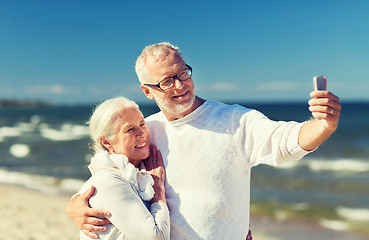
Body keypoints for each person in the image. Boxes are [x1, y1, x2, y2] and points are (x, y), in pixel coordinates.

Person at [67, 42, 341, 240]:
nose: (180, 85)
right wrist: (75, 204)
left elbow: (287, 142)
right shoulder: (144, 131)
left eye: (183, 73)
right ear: (147, 92)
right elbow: (108, 174)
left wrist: (324, 125)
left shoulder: (234, 120)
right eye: (166, 82)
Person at [76, 96, 170, 239]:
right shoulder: (108, 180)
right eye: (130, 129)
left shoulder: (136, 174)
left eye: (142, 124)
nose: (142, 133)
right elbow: (156, 237)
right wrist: (157, 190)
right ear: (107, 142)